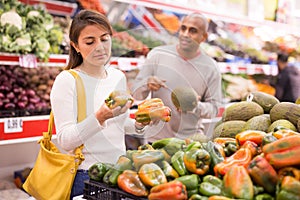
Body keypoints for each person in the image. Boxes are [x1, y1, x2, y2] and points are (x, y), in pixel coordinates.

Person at [50, 10, 149, 199]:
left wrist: (140, 123)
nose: (100, 47)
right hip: (86, 176)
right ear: (75, 46)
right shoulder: (67, 80)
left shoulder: (117, 76)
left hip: (120, 171)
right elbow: (65, 141)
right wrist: (99, 117)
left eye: (104, 39)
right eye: (90, 42)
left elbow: (119, 123)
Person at [130, 12, 223, 143]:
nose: (185, 34)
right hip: (156, 139)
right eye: (183, 28)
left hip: (190, 142)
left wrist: (196, 106)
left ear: (204, 37)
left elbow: (215, 109)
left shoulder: (210, 67)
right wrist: (146, 83)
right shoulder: (158, 55)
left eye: (193, 31)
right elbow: (136, 93)